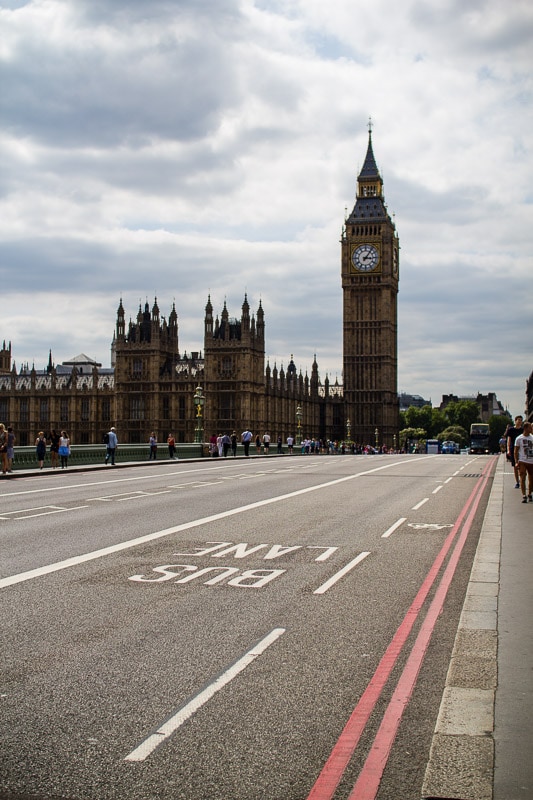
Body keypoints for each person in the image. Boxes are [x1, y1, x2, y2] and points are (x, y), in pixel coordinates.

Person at [514, 421, 533, 503]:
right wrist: (516, 462)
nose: (531, 429)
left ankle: (529, 494)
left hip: (531, 461)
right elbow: (516, 451)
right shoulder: (519, 438)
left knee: (531, 479)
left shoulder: (532, 438)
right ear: (525, 428)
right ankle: (524, 495)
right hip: (522, 461)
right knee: (522, 478)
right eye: (530, 428)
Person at [506, 415, 524, 488]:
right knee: (515, 466)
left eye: (521, 420)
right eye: (518, 420)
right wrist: (508, 450)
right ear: (515, 421)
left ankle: (521, 480)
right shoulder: (511, 430)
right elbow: (509, 440)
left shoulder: (522, 430)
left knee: (521, 466)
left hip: (521, 449)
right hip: (513, 449)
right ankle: (517, 482)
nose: (520, 421)